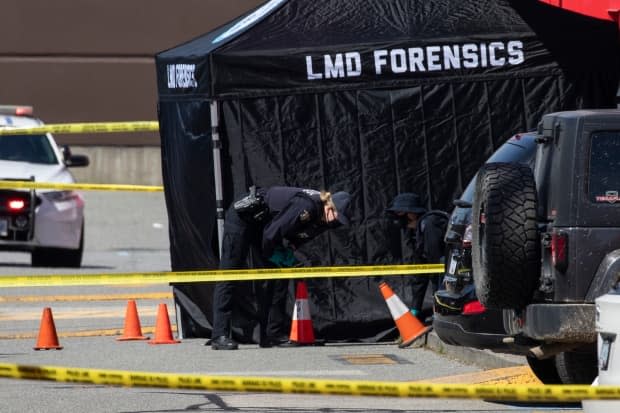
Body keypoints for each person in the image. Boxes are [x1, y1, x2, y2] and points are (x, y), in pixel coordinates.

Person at [211, 186, 351, 350]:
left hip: (263, 225)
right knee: (230, 274)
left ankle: (271, 335)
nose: (335, 222)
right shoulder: (307, 206)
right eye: (336, 216)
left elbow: (293, 238)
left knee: (277, 278)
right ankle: (219, 335)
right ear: (330, 205)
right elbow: (271, 234)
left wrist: (286, 255)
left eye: (339, 221)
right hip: (243, 217)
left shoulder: (323, 218)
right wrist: (273, 255)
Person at [385, 192, 448, 318]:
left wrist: (439, 304)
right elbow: (420, 272)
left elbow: (436, 264)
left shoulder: (430, 224)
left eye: (400, 213)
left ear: (412, 213)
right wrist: (415, 309)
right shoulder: (415, 231)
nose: (398, 218)